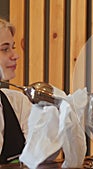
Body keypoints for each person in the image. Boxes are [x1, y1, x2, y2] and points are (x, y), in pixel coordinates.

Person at [0, 18, 32, 164]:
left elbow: (40, 158)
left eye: (13, 47)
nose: (15, 55)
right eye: (5, 49)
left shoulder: (18, 102)